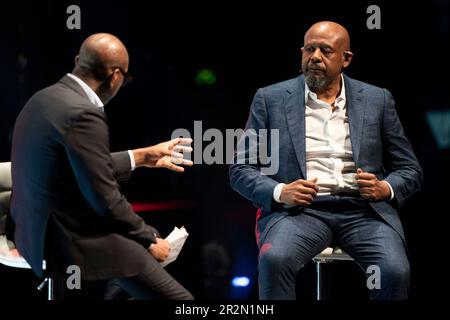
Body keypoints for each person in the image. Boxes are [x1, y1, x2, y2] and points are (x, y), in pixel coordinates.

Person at [229, 21, 422, 300]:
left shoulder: (377, 99)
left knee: (394, 271)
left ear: (346, 59)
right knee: (275, 260)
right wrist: (281, 191)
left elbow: (410, 169)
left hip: (364, 212)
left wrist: (386, 188)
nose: (315, 57)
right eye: (310, 49)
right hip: (300, 213)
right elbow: (240, 170)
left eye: (326, 51)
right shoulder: (270, 99)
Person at [10, 33, 194, 300]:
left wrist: (140, 156)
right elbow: (104, 199)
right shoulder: (84, 113)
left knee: (133, 260)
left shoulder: (44, 98)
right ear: (115, 76)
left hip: (31, 230)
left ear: (78, 61)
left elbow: (75, 167)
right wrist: (150, 240)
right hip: (65, 238)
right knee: (182, 301)